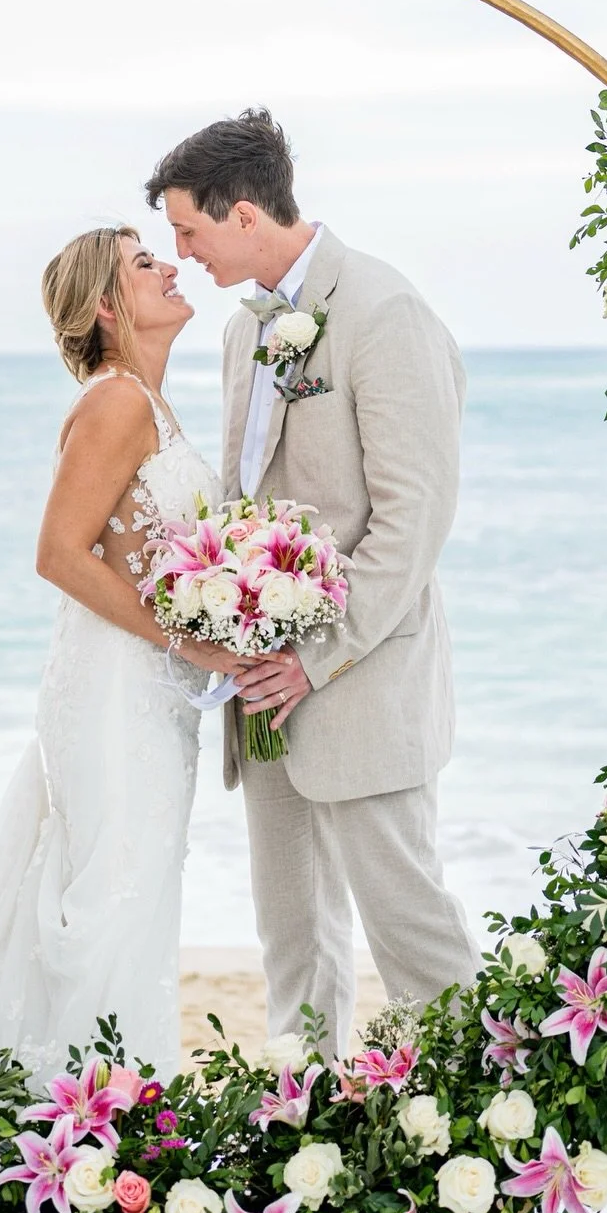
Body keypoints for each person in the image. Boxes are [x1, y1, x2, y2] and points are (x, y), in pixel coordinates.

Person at [146, 109, 481, 1058]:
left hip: (360, 681)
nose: (185, 253)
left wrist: (315, 657)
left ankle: (484, 1123)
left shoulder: (384, 313)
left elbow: (412, 523)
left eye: (189, 231)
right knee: (292, 937)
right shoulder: (243, 334)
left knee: (410, 930)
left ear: (244, 214)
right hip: (260, 691)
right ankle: (308, 1125)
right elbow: (248, 501)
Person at [0, 225, 231, 1082]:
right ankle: (84, 1121)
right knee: (109, 901)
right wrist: (193, 641)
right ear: (109, 309)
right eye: (145, 264)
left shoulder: (149, 402)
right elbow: (59, 553)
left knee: (133, 893)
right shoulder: (116, 402)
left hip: (152, 695)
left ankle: (107, 1114)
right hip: (116, 692)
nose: (171, 266)